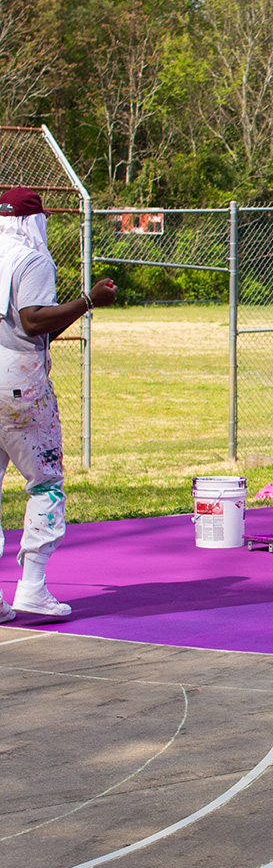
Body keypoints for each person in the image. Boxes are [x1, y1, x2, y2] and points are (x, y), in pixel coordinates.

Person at [0, 187, 117, 618]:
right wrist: (88, 301)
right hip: (18, 379)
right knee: (45, 482)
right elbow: (32, 321)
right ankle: (31, 585)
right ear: (34, 221)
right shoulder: (31, 258)